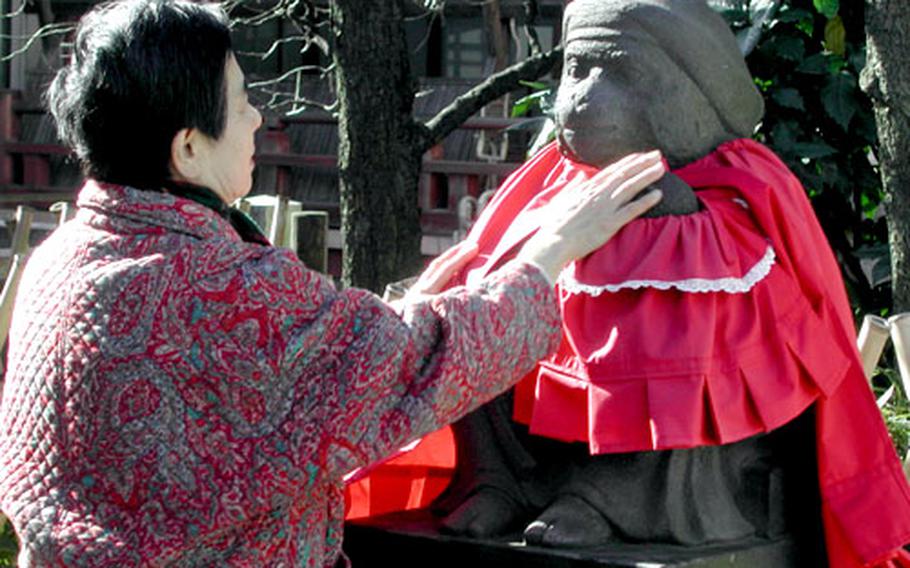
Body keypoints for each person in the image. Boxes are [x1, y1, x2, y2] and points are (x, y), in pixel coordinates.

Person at [0, 0, 665, 566]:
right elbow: (409, 364)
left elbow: (297, 375)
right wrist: (552, 250)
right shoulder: (219, 286)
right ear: (188, 149)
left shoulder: (61, 259)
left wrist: (415, 305)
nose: (259, 119)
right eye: (239, 104)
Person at [368, 1, 910, 567]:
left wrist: (674, 223)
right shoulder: (549, 180)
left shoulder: (742, 178)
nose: (582, 94)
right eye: (577, 70)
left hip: (668, 390)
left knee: (676, 341)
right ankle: (501, 480)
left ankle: (608, 499)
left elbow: (769, 286)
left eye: (618, 73)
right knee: (477, 311)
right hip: (548, 343)